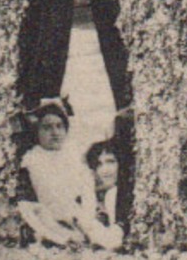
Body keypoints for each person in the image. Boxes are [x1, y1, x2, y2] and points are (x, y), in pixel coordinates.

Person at [16, 96, 99, 247]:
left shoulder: (74, 157)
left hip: (79, 223)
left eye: (59, 126)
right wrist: (61, 238)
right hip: (48, 229)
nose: (55, 132)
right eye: (47, 127)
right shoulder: (30, 162)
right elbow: (28, 209)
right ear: (37, 131)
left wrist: (85, 225)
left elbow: (88, 195)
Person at [83, 139, 130, 251]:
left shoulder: (124, 193)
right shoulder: (108, 194)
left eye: (111, 162)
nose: (105, 170)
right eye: (99, 164)